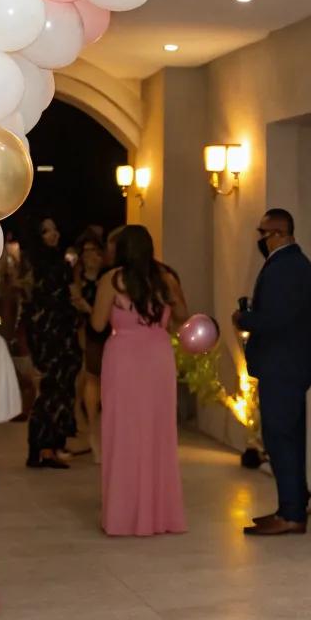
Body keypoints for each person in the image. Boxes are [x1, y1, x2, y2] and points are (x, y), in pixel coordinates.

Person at [91, 226, 188, 536]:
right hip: (158, 357)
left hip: (123, 358)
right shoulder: (166, 278)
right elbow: (183, 317)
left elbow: (96, 323)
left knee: (123, 432)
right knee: (158, 431)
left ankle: (124, 516)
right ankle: (160, 515)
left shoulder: (112, 279)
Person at [233, 208, 311, 537]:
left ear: (280, 233)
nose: (260, 240)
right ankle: (293, 504)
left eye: (263, 233)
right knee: (289, 438)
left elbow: (277, 319)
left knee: (281, 438)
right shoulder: (294, 265)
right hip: (290, 364)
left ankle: (291, 514)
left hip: (283, 366)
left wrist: (244, 320)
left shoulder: (286, 267)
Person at [23, 216, 80, 469]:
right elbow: (42, 303)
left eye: (55, 229)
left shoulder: (56, 260)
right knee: (51, 391)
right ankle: (44, 449)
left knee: (59, 391)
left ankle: (49, 447)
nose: (53, 234)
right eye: (47, 231)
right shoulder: (41, 264)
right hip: (50, 335)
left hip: (61, 334)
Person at [70, 232, 106, 462]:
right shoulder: (77, 278)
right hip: (85, 333)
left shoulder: (108, 278)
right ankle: (91, 429)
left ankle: (98, 430)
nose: (90, 256)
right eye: (86, 252)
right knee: (87, 379)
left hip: (106, 332)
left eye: (94, 251)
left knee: (99, 381)